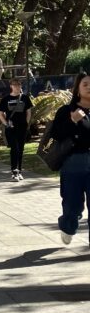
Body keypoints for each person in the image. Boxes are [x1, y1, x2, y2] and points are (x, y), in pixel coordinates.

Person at [50, 72, 90, 246]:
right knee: (73, 206)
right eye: (86, 85)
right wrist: (72, 121)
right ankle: (68, 227)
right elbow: (56, 134)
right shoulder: (67, 111)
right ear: (78, 89)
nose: (89, 88)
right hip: (74, 163)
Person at [0, 79, 32, 181]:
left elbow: (28, 112)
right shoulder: (6, 99)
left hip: (22, 127)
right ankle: (14, 171)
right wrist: (6, 123)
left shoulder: (25, 98)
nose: (17, 87)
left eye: (19, 85)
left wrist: (26, 124)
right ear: (11, 86)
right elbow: (0, 113)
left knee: (20, 149)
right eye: (15, 85)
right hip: (11, 128)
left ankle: (19, 171)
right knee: (14, 148)